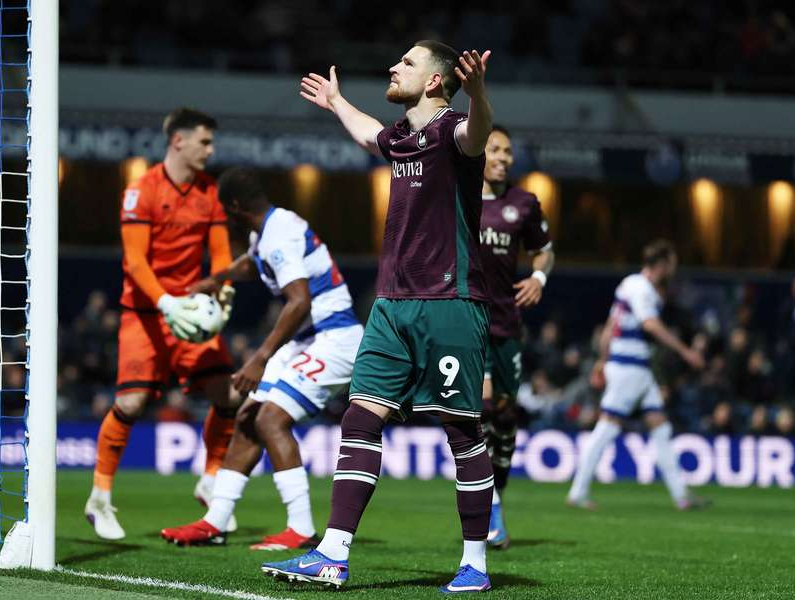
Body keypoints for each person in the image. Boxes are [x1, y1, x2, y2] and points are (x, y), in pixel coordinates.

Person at [262, 41, 495, 593]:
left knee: (462, 430)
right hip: (391, 305)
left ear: (436, 82)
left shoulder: (452, 131)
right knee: (360, 419)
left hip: (450, 304)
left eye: (407, 63)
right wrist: (338, 102)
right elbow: (370, 133)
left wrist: (480, 93)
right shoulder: (403, 137)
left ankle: (475, 564)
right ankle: (333, 554)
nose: (393, 67)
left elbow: (478, 135)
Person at [160, 168, 363, 551]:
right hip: (309, 340)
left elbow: (299, 300)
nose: (223, 218)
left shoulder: (278, 235)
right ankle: (215, 522)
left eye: (224, 210)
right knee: (248, 419)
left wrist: (259, 358)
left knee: (271, 419)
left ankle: (301, 528)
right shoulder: (266, 231)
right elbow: (253, 264)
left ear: (234, 207)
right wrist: (219, 279)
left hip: (334, 339)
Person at [85, 108, 239, 540]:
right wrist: (165, 301)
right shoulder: (142, 190)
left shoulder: (212, 192)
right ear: (179, 142)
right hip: (146, 313)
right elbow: (134, 260)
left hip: (190, 314)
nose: (211, 150)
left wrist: (223, 287)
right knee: (131, 404)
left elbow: (221, 252)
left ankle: (210, 479)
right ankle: (98, 498)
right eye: (205, 142)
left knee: (228, 395)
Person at [567, 240, 709, 511]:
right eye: (672, 264)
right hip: (629, 368)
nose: (674, 269)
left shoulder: (629, 284)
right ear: (662, 265)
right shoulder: (644, 290)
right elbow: (650, 324)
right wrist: (686, 352)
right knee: (607, 429)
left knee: (661, 427)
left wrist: (602, 359)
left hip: (634, 368)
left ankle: (681, 495)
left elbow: (611, 326)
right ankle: (578, 491)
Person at [477, 125, 555, 549]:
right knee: (483, 410)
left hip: (508, 325)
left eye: (508, 152)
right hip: (468, 322)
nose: (504, 158)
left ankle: (494, 497)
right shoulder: (458, 194)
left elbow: (545, 247)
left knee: (505, 420)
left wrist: (540, 275)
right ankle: (487, 510)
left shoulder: (523, 203)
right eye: (495, 150)